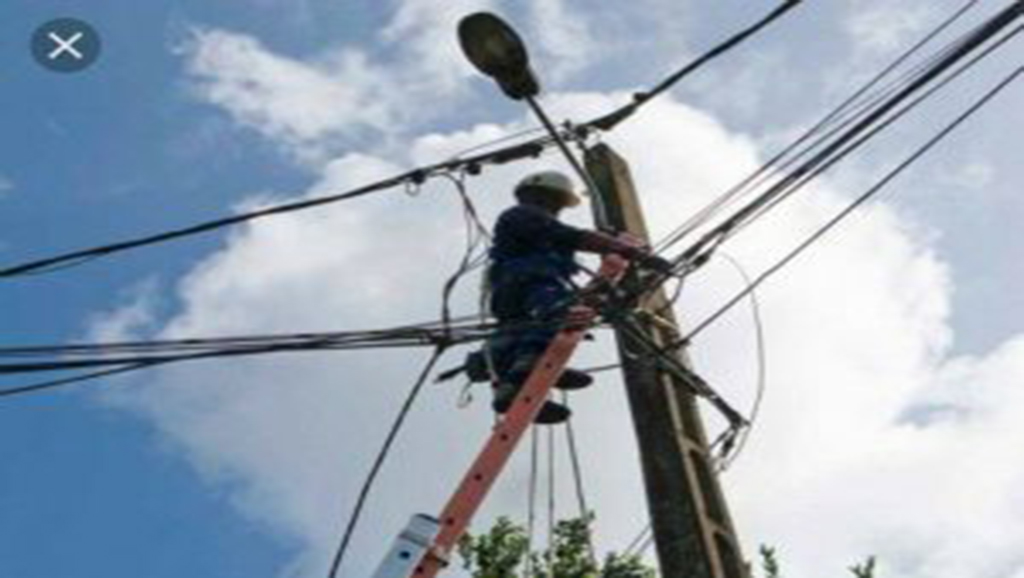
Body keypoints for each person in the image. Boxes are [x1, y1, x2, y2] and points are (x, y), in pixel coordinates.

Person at [484, 170, 672, 424]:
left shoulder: (531, 224)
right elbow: (570, 236)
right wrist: (627, 250)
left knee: (517, 336)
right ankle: (529, 368)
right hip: (528, 281)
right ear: (539, 196)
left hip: (513, 290)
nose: (556, 209)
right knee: (561, 316)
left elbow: (567, 239)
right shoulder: (522, 216)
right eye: (555, 201)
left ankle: (513, 390)